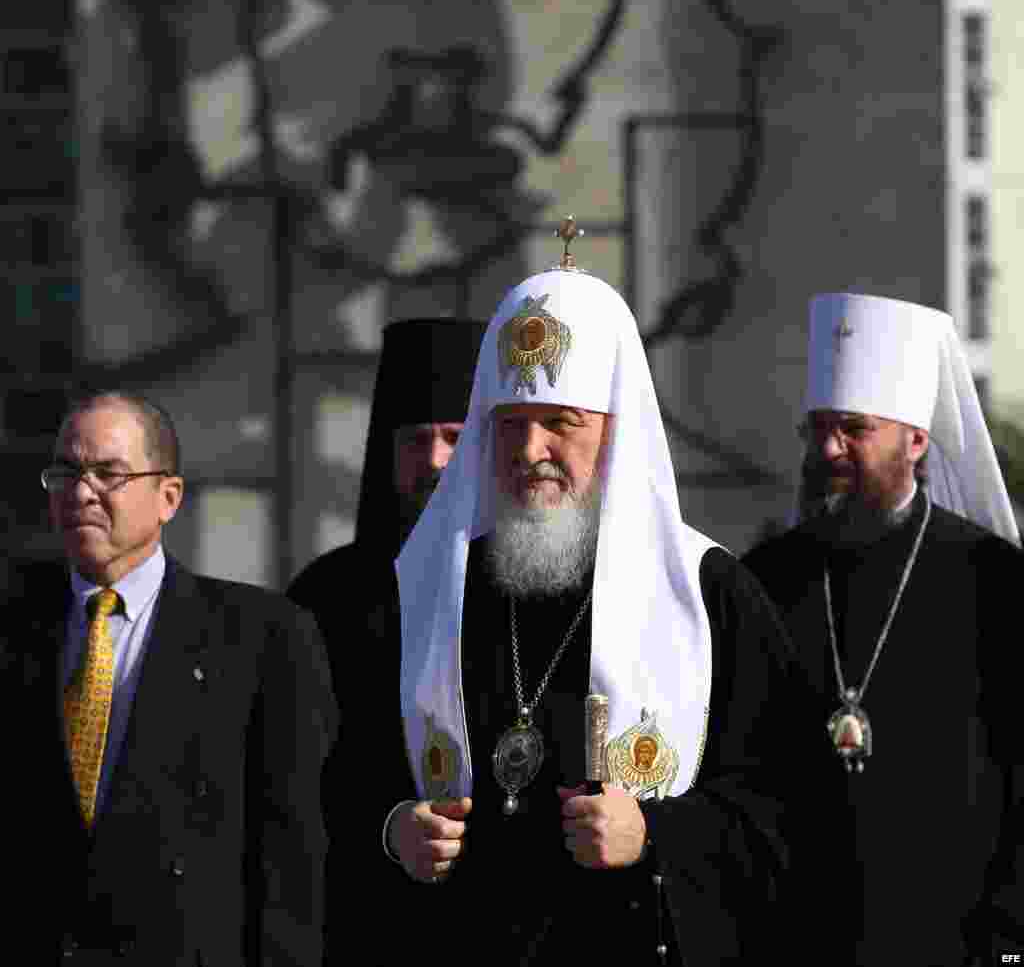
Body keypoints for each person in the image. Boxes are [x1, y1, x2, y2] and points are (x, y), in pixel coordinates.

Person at [339, 235, 804, 966]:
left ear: (616, 433)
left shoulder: (710, 596)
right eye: (511, 425)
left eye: (561, 423)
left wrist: (654, 836)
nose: (529, 452)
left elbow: (788, 811)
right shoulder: (426, 587)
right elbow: (346, 772)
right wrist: (395, 827)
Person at [0, 389, 335, 966]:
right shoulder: (15, 630)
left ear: (169, 497)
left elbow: (293, 856)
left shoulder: (263, 637)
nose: (81, 493)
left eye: (109, 473)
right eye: (65, 473)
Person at [744, 292, 1024, 967]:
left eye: (853, 429)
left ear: (916, 440)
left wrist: (1010, 935)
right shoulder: (765, 579)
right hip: (797, 940)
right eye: (817, 428)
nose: (828, 449)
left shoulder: (995, 579)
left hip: (955, 942)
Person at [288, 316, 486, 637]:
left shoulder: (528, 591)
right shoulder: (322, 595)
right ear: (389, 452)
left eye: (454, 438)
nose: (434, 460)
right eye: (416, 440)